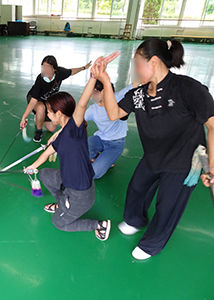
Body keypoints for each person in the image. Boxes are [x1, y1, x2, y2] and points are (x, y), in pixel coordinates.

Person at [91, 38, 214, 260]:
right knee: (137, 188)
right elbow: (113, 113)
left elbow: (213, 126)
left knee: (168, 205)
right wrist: (105, 81)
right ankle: (135, 220)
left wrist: (212, 166)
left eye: (138, 63)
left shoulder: (188, 89)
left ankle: (153, 243)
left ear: (154, 61)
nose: (135, 70)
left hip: (185, 160)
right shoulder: (139, 94)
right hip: (155, 154)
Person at [24, 54, 120, 240]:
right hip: (68, 180)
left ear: (59, 113)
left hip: (80, 192)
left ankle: (99, 225)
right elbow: (48, 152)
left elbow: (82, 103)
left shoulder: (74, 128)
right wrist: (33, 167)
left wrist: (93, 77)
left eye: (49, 112)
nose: (47, 115)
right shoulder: (62, 133)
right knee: (44, 174)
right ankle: (62, 204)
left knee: (58, 224)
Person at [20, 55, 91, 143]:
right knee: (41, 108)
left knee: (51, 128)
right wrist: (24, 117)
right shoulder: (40, 79)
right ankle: (38, 131)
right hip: (36, 99)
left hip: (48, 101)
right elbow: (33, 100)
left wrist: (84, 67)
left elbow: (72, 71)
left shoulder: (60, 73)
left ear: (54, 69)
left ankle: (38, 117)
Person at [85, 79, 139, 179]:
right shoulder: (92, 110)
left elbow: (136, 84)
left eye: (95, 93)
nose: (92, 96)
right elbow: (77, 120)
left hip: (116, 144)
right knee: (83, 145)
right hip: (100, 139)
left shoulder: (118, 98)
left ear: (104, 91)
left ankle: (109, 159)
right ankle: (95, 157)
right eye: (91, 93)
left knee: (94, 174)